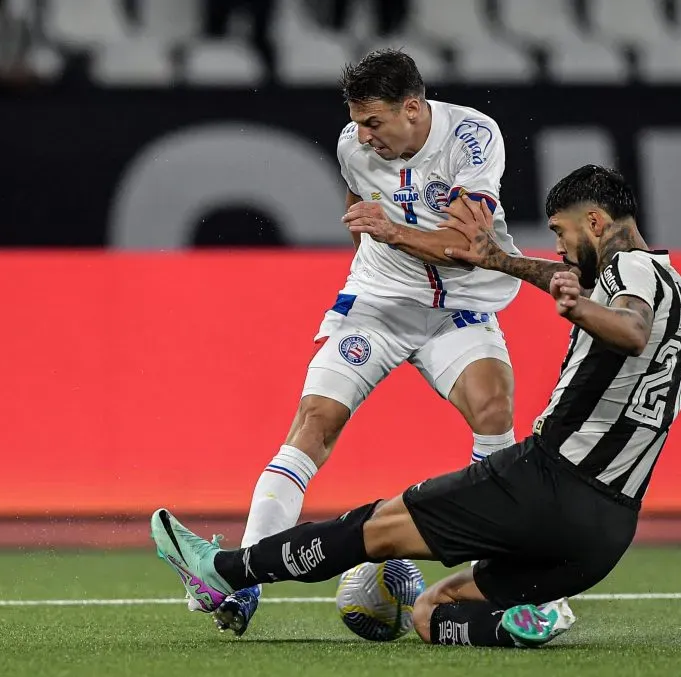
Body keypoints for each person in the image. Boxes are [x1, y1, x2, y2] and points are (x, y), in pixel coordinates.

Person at [152, 165, 681, 648]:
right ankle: (511, 625)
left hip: (547, 481)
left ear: (596, 222)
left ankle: (225, 572)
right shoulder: (676, 288)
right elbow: (580, 288)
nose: (558, 249)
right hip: (606, 531)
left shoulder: (631, 272)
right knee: (431, 612)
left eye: (561, 233)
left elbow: (629, 328)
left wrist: (576, 309)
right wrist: (500, 261)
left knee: (375, 527)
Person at [206, 48, 577, 636]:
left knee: (493, 411)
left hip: (461, 306)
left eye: (374, 121)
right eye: (356, 121)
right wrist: (377, 259)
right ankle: (241, 579)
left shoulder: (472, 136)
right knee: (313, 424)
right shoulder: (352, 146)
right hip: (377, 306)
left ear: (412, 107)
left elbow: (468, 247)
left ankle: (496, 584)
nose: (363, 135)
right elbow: (360, 210)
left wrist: (393, 232)